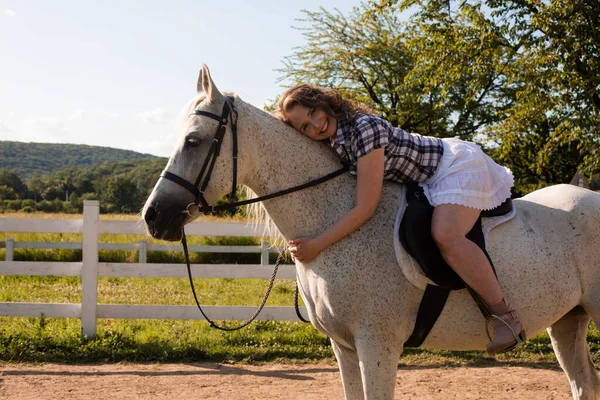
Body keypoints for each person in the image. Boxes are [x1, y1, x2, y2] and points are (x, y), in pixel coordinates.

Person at [275, 83, 524, 354]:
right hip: (426, 180)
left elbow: (364, 208)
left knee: (446, 235)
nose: (315, 124)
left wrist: (317, 244)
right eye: (305, 127)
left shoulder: (363, 129)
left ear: (323, 102)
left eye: (313, 112)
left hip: (454, 167)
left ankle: (505, 317)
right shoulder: (336, 142)